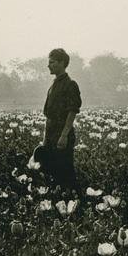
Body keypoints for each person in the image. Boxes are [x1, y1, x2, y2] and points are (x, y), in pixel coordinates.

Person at [40, 48, 82, 194]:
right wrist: (45, 139)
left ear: (62, 63)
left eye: (52, 62)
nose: (48, 65)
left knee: (65, 171)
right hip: (51, 133)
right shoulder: (54, 85)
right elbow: (48, 116)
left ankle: (74, 199)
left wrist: (64, 135)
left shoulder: (70, 85)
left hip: (62, 132)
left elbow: (72, 111)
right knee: (53, 170)